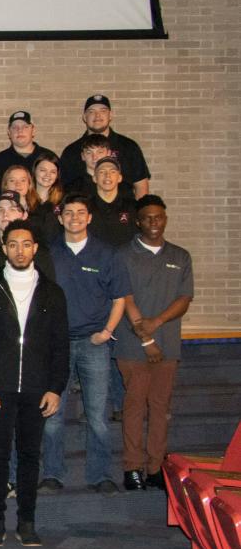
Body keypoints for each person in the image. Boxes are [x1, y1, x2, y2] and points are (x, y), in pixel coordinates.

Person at [0, 223, 69, 548]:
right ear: (4, 247)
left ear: (35, 248)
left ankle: (27, 521)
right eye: (13, 244)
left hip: (37, 389)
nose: (20, 251)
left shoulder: (52, 293)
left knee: (29, 455)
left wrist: (55, 387)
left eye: (26, 244)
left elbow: (60, 347)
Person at [42, 194, 130, 496]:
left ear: (89, 218)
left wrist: (107, 331)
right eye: (69, 213)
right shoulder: (49, 253)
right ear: (60, 217)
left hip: (94, 343)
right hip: (57, 344)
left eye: (81, 213)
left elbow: (120, 298)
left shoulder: (106, 254)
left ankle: (100, 475)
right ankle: (52, 474)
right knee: (52, 417)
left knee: (97, 416)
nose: (75, 218)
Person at [114, 195, 194, 490]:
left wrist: (157, 324)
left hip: (168, 344)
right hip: (132, 345)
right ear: (138, 221)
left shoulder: (180, 256)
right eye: (147, 218)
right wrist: (146, 337)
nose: (153, 223)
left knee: (160, 407)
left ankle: (156, 467)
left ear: (165, 219)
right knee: (135, 406)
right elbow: (124, 297)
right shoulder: (123, 254)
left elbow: (184, 299)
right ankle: (132, 468)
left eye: (158, 217)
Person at [60, 94, 150, 200]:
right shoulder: (71, 151)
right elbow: (61, 189)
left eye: (103, 111)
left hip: (122, 212)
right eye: (91, 112)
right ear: (84, 117)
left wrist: (138, 214)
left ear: (110, 115)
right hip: (83, 213)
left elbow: (141, 187)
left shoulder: (129, 147)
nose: (97, 116)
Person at [0, 191, 56, 287]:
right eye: (0, 210)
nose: (5, 214)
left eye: (12, 209)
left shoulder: (39, 253)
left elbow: (50, 293)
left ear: (24, 215)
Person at [87, 156, 138, 247]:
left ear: (119, 178)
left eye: (112, 172)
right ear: (94, 178)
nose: (107, 175)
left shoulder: (133, 207)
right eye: (102, 172)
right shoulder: (85, 207)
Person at [0, 110, 56, 178]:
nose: (20, 130)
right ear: (9, 132)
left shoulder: (49, 157)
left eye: (25, 127)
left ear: (33, 131)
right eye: (15, 127)